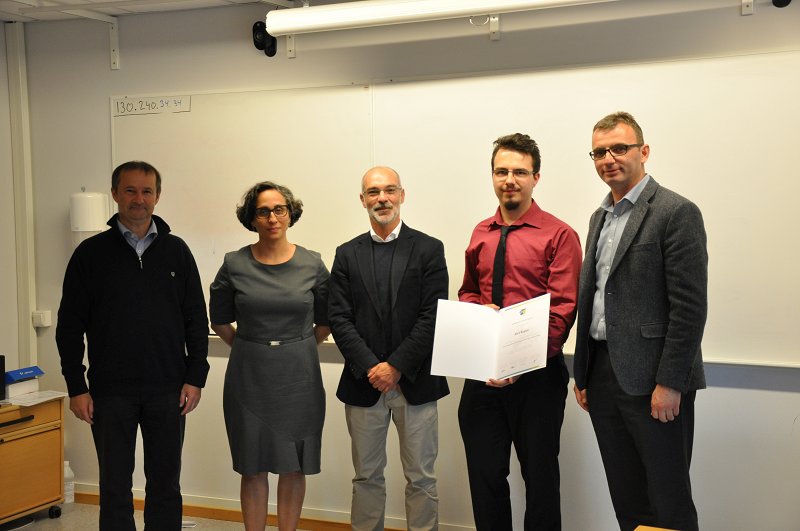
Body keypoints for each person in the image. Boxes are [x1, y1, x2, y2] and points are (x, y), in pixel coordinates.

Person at [56, 160, 209, 531]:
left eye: (146, 191)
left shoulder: (177, 251)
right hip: (110, 392)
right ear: (115, 194)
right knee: (114, 488)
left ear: (157, 196)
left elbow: (196, 319)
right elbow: (69, 327)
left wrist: (195, 377)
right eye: (130, 190)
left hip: (169, 390)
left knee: (166, 485)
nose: (139, 199)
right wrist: (77, 387)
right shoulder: (90, 254)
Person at [572, 111, 708, 531]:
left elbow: (689, 308)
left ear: (643, 151)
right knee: (626, 496)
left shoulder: (676, 212)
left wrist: (670, 382)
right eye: (599, 152)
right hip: (603, 375)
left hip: (654, 380)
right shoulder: (599, 218)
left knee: (668, 500)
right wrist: (583, 373)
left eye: (619, 148)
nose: (608, 159)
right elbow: (595, 296)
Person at [458, 133, 582, 530]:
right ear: (492, 176)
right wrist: (478, 311)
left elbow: (562, 309)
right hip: (482, 376)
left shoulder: (559, 234)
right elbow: (468, 292)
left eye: (519, 172)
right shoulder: (481, 232)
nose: (509, 180)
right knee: (485, 478)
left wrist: (516, 363)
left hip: (537, 377)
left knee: (540, 479)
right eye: (501, 171)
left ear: (535, 178)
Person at [328, 166, 449, 531]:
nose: (382, 198)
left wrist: (395, 366)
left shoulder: (429, 249)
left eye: (389, 190)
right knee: (366, 476)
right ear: (362, 199)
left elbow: (433, 315)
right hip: (363, 383)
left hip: (416, 381)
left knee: (422, 478)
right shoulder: (346, 253)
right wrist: (372, 367)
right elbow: (339, 318)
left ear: (402, 195)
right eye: (373, 192)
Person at [209, 181, 330, 531]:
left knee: (294, 466)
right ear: (252, 218)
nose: (272, 218)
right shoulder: (234, 263)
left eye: (279, 209)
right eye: (263, 211)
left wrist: (296, 346)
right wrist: (250, 346)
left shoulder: (313, 263)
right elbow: (219, 321)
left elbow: (325, 322)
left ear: (290, 214)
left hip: (300, 379)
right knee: (253, 466)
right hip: (249, 378)